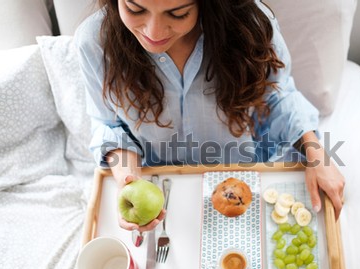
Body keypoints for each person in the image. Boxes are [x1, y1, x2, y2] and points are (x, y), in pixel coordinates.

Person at [75, 0, 345, 233]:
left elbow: (276, 95)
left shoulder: (251, 24)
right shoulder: (94, 43)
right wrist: (127, 178)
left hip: (242, 174)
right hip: (164, 187)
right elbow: (110, 124)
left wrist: (315, 152)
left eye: (177, 13)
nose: (153, 32)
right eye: (135, 9)